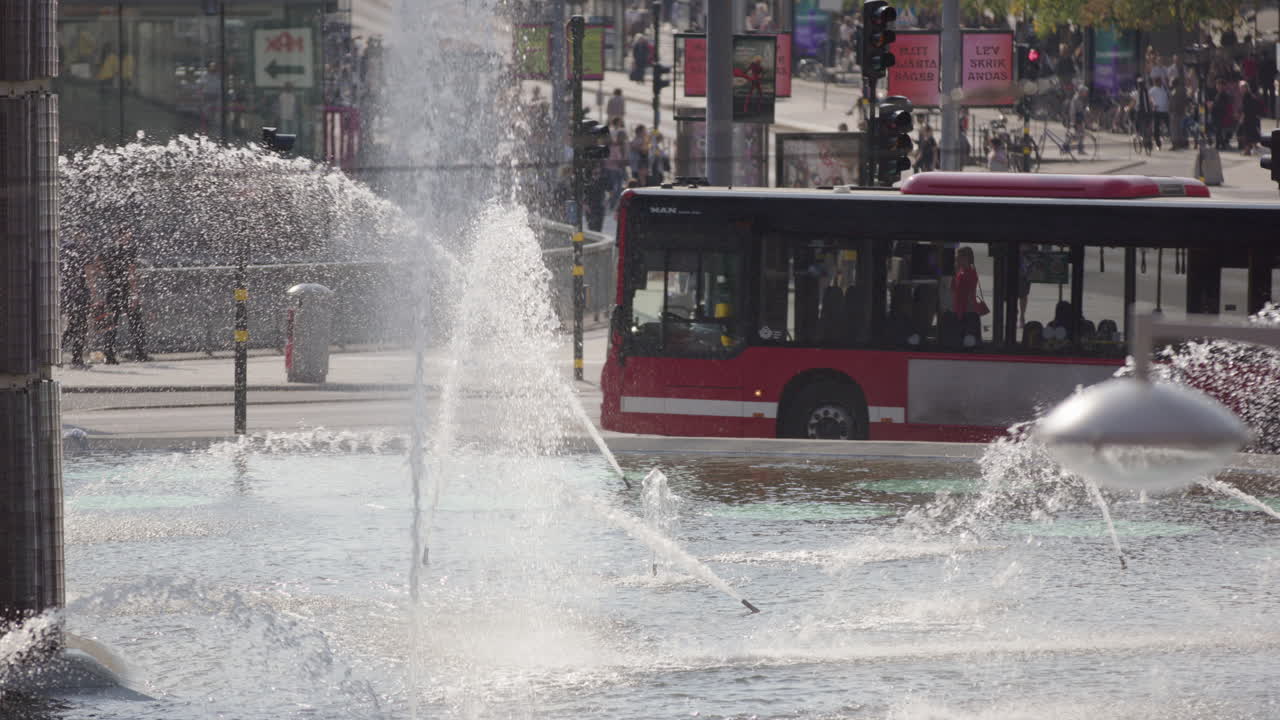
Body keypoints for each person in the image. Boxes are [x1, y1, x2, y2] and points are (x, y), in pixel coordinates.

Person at [94, 231, 149, 364]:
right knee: (135, 321)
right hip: (124, 290)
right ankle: (139, 352)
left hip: (112, 289)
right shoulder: (128, 250)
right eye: (126, 235)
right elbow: (131, 272)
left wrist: (106, 273)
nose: (127, 238)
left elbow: (96, 262)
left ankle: (109, 354)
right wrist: (134, 293)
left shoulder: (108, 249)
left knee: (112, 323)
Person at [60, 232, 93, 368]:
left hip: (68, 292)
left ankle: (58, 352)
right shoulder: (84, 251)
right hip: (80, 293)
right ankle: (77, 357)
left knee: (73, 325)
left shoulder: (66, 249)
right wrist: (94, 295)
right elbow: (89, 274)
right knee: (81, 326)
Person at [1148, 77, 1169, 149]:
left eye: (1161, 81)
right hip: (1157, 111)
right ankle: (1158, 144)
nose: (1160, 83)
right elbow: (1150, 98)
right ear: (1156, 82)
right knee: (1156, 128)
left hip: (1165, 110)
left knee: (1169, 126)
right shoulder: (1152, 90)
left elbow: (1167, 97)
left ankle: (1173, 141)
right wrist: (1153, 104)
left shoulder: (1164, 89)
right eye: (1159, 82)